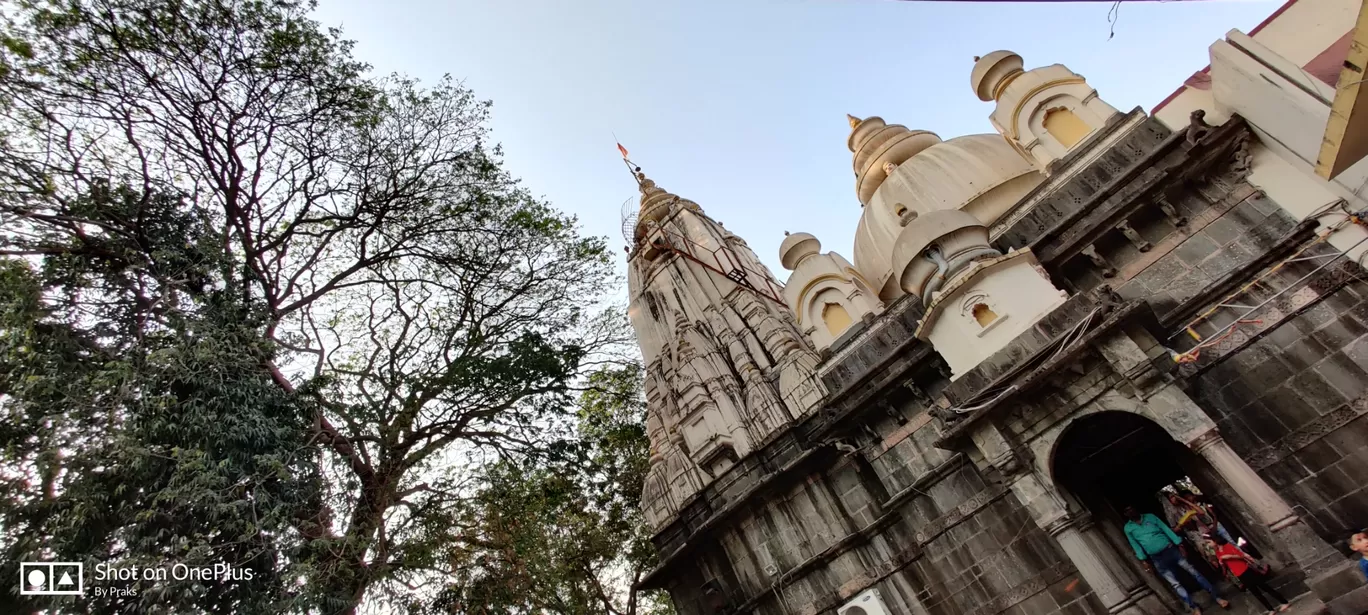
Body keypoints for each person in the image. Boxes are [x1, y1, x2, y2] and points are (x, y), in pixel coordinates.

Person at [1123, 505, 1230, 615]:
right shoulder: (1128, 528)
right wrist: (1143, 560)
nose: (1131, 511)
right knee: (1176, 584)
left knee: (1194, 573)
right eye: (1127, 511)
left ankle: (1217, 598)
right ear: (1126, 514)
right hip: (1157, 559)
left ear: (1135, 509)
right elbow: (1135, 545)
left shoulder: (1150, 517)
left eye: (1132, 509)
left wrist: (1179, 543)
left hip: (1171, 550)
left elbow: (1165, 529)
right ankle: (1194, 607)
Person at [1212, 533, 1289, 614]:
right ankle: (1270, 609)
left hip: (1246, 570)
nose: (1209, 545)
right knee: (1255, 593)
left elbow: (1241, 556)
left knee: (1264, 587)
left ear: (1215, 541)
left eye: (1209, 542)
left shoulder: (1227, 546)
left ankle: (1284, 602)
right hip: (1238, 574)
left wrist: (1229, 556)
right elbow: (1224, 565)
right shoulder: (1217, 552)